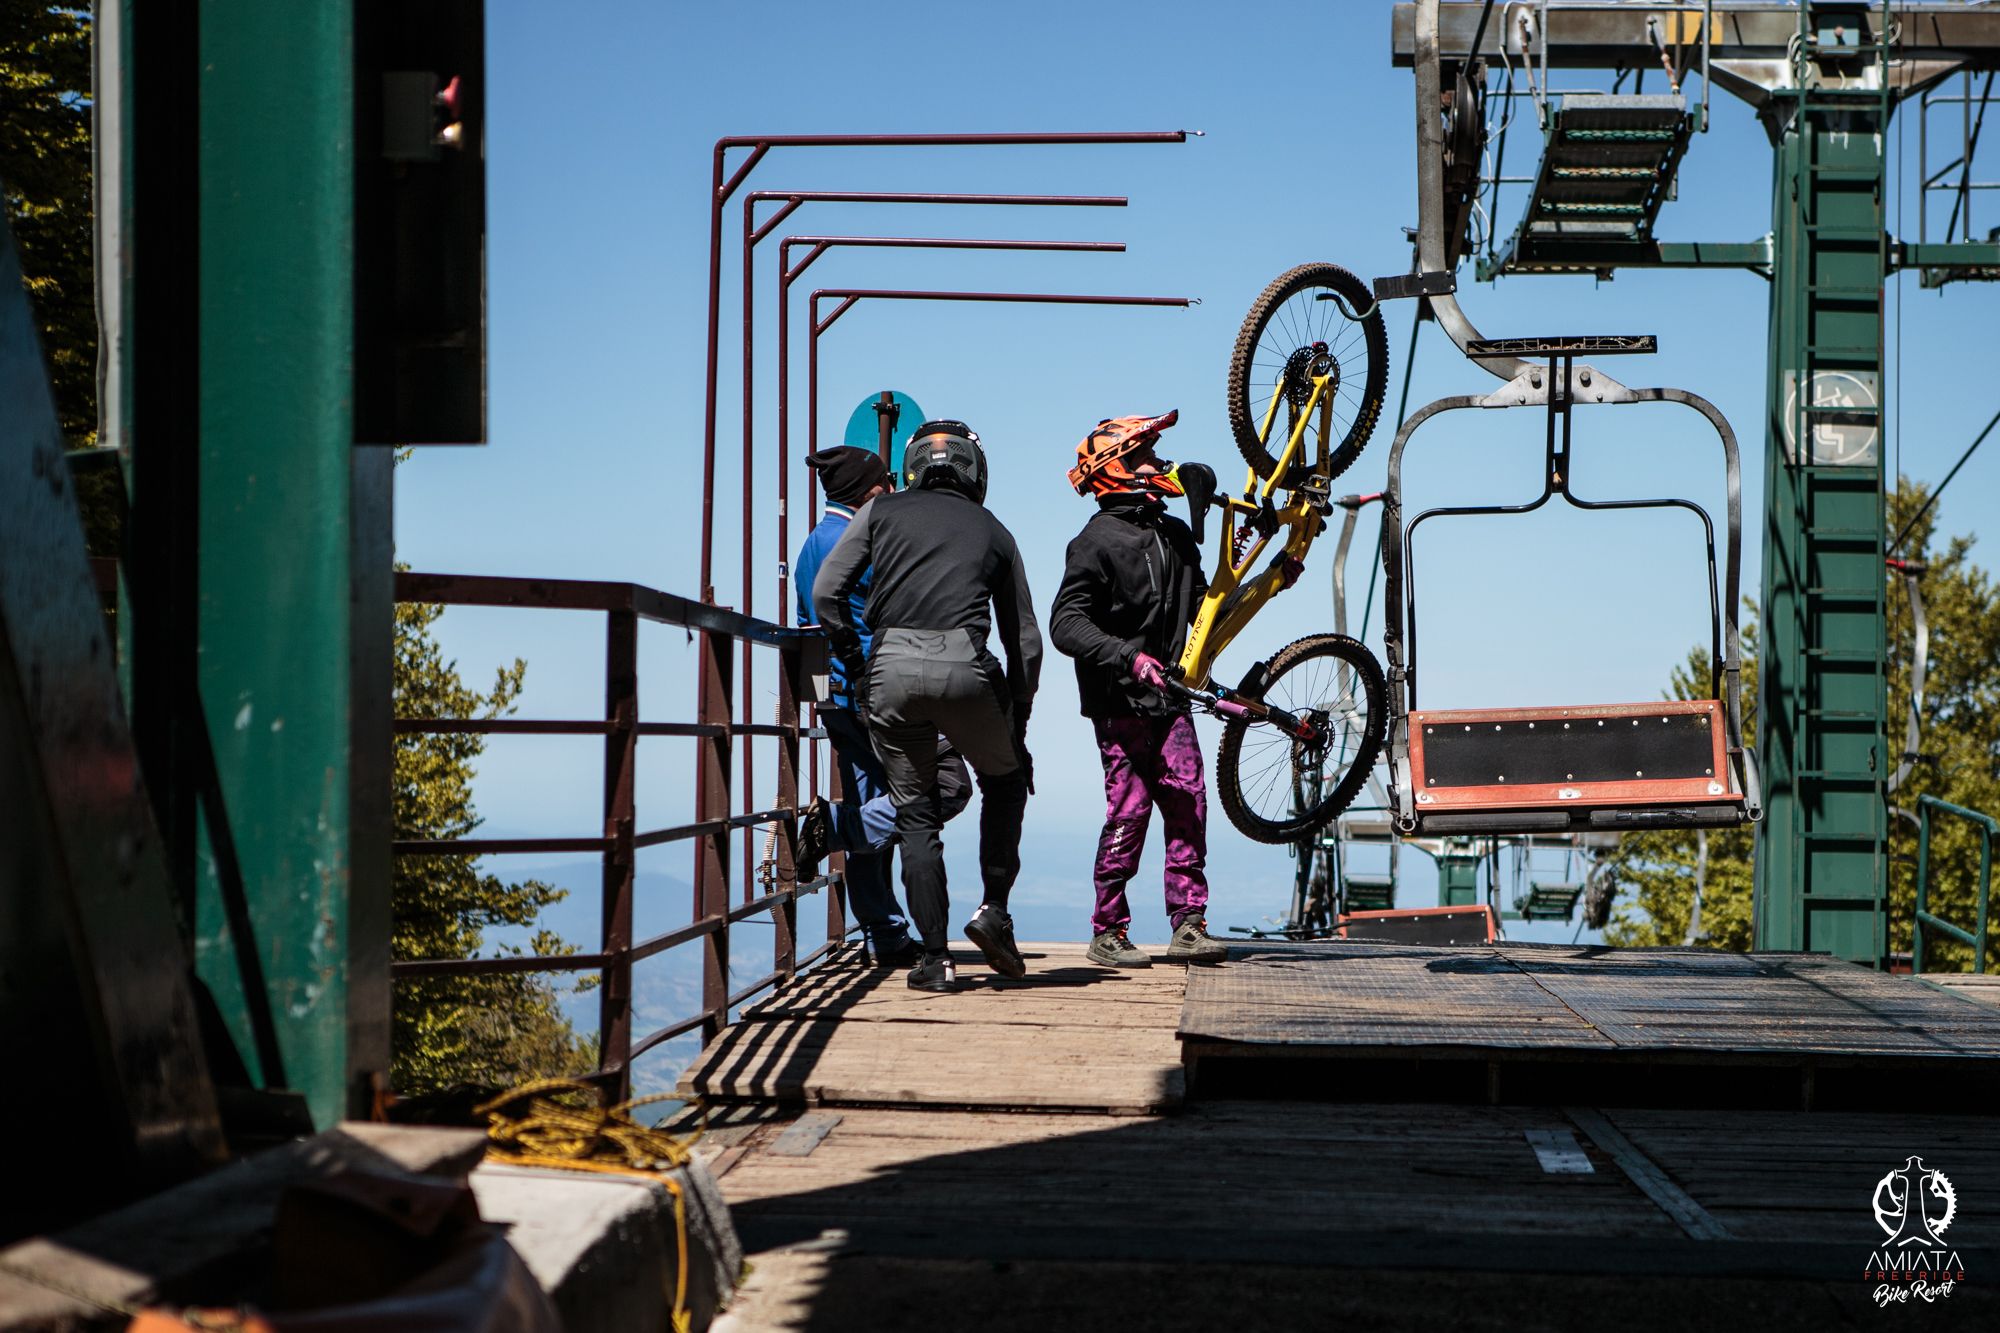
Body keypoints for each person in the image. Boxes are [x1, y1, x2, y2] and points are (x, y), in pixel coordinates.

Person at [813, 420, 1042, 993]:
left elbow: (825, 594)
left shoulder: (878, 514)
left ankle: (935, 959)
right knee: (1005, 784)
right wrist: (1018, 722)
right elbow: (1027, 644)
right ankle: (993, 910)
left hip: (890, 671)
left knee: (915, 812)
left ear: (911, 467)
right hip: (969, 670)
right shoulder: (996, 531)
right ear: (975, 471)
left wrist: (856, 659)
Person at [1050, 410, 1229, 968]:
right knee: (1129, 811)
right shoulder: (1094, 543)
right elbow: (1066, 624)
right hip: (1119, 701)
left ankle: (1190, 925)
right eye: (1145, 454)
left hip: (1174, 698)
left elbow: (1204, 607)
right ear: (1117, 469)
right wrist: (1129, 657)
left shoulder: (1174, 533)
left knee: (1187, 801)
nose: (1158, 463)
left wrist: (1258, 578)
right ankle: (1108, 930)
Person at [792, 445, 969, 966]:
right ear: (872, 490)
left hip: (839, 696)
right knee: (949, 784)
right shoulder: (859, 538)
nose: (894, 489)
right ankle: (838, 830)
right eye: (887, 482)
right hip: (880, 692)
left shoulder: (812, 544)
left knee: (871, 800)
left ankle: (885, 934)